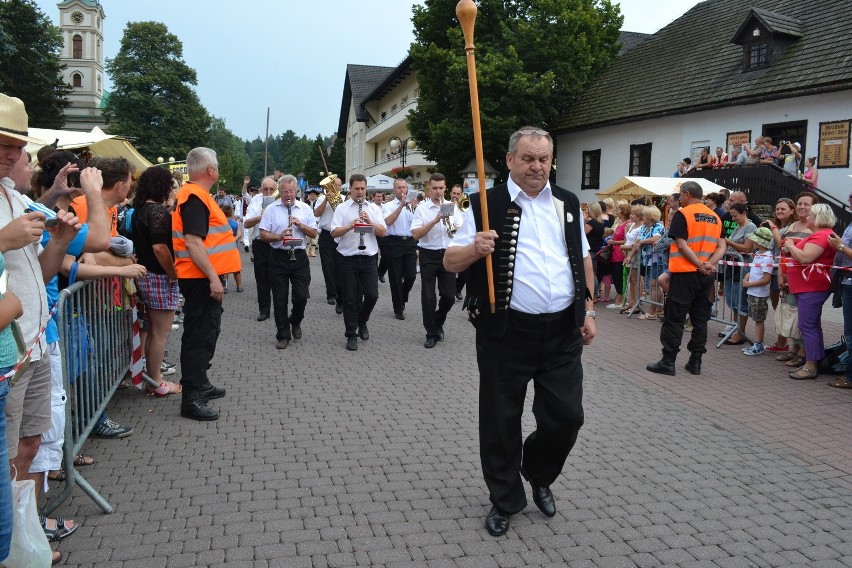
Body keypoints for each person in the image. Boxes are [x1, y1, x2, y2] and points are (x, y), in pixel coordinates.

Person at [443, 127, 595, 537]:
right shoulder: (484, 204)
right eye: (528, 158)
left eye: (543, 159)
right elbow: (450, 262)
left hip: (563, 330)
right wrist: (475, 248)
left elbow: (581, 256)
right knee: (501, 419)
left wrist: (589, 308)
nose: (537, 167)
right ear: (509, 160)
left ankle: (537, 470)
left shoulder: (567, 202)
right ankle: (505, 499)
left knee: (567, 417)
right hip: (505, 331)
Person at [172, 147, 241, 420]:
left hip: (200, 276)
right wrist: (214, 278)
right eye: (218, 166)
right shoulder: (194, 197)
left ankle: (200, 383)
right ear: (210, 170)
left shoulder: (195, 195)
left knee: (206, 332)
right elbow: (193, 242)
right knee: (199, 337)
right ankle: (191, 398)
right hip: (199, 277)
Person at [647, 181, 725, 376]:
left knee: (675, 318)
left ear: (687, 194)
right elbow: (721, 247)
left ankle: (668, 361)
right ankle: (695, 361)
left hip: (685, 273)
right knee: (700, 319)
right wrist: (708, 265)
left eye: (680, 195)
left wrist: (698, 264)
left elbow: (681, 245)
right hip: (706, 275)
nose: (679, 199)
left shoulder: (684, 214)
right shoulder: (715, 217)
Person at [132, 166, 182, 395]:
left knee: (153, 330)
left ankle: (153, 380)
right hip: (159, 276)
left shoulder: (140, 210)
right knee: (160, 332)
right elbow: (160, 248)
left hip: (145, 273)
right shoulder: (158, 213)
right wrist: (173, 274)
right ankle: (156, 381)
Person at [258, 175, 317, 349]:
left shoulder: (305, 208)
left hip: (299, 256)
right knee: (279, 298)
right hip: (278, 256)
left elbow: (314, 233)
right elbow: (262, 235)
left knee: (301, 296)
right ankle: (283, 335)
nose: (288, 195)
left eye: (291, 191)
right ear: (280, 191)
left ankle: (295, 320)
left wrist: (301, 226)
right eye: (285, 192)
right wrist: (279, 236)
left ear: (296, 191)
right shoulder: (271, 209)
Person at [330, 174, 387, 351]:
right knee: (350, 299)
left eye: (363, 189)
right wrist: (350, 225)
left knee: (372, 295)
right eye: (357, 189)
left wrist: (370, 222)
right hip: (348, 258)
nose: (360, 192)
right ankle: (351, 334)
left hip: (369, 258)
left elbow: (383, 232)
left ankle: (362, 321)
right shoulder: (342, 208)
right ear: (350, 189)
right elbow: (333, 233)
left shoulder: (374, 208)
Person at [783, 204, 836, 380]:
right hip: (808, 286)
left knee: (807, 325)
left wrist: (791, 245)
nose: (807, 218)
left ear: (818, 218)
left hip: (811, 287)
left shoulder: (821, 235)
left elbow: (806, 258)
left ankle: (811, 366)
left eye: (811, 215)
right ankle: (815, 361)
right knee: (811, 325)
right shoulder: (821, 234)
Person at [411, 173, 463, 348]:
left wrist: (455, 227)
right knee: (428, 296)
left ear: (445, 188)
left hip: (448, 254)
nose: (438, 191)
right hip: (428, 254)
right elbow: (416, 234)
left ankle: (437, 321)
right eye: (435, 188)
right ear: (429, 189)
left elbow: (462, 232)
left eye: (441, 188)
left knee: (448, 296)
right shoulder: (422, 209)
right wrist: (435, 220)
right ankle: (431, 333)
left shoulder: (452, 206)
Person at [381, 178, 417, 320]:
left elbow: (417, 224)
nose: (402, 190)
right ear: (394, 190)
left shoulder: (414, 205)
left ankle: (403, 296)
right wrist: (401, 206)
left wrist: (414, 208)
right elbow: (388, 222)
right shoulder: (388, 206)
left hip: (409, 242)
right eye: (399, 188)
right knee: (395, 278)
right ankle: (398, 308)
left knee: (411, 276)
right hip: (393, 242)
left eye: (404, 187)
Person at [244, 177, 277, 321]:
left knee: (278, 279)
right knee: (262, 279)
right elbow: (246, 224)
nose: (268, 192)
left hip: (277, 244)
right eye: (265, 189)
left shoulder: (281, 202)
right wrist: (261, 216)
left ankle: (280, 309)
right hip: (260, 244)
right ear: (261, 190)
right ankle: (264, 310)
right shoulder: (256, 202)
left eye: (271, 189)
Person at [827, 208, 852, 389]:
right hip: (846, 281)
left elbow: (843, 249)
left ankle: (850, 378)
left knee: (851, 335)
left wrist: (841, 246)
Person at [741, 227, 774, 356]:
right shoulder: (759, 254)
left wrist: (749, 283)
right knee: (756, 318)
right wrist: (747, 277)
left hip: (759, 293)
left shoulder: (767, 257)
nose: (752, 242)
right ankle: (757, 343)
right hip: (753, 292)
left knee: (759, 319)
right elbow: (755, 271)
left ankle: (758, 344)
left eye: (754, 240)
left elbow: (766, 279)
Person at [315, 176, 343, 313]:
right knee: (328, 266)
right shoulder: (322, 198)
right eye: (334, 185)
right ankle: (331, 294)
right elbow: (316, 213)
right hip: (326, 235)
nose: (336, 188)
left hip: (341, 235)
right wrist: (326, 199)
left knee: (340, 266)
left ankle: (340, 293)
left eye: (338, 186)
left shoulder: (344, 199)